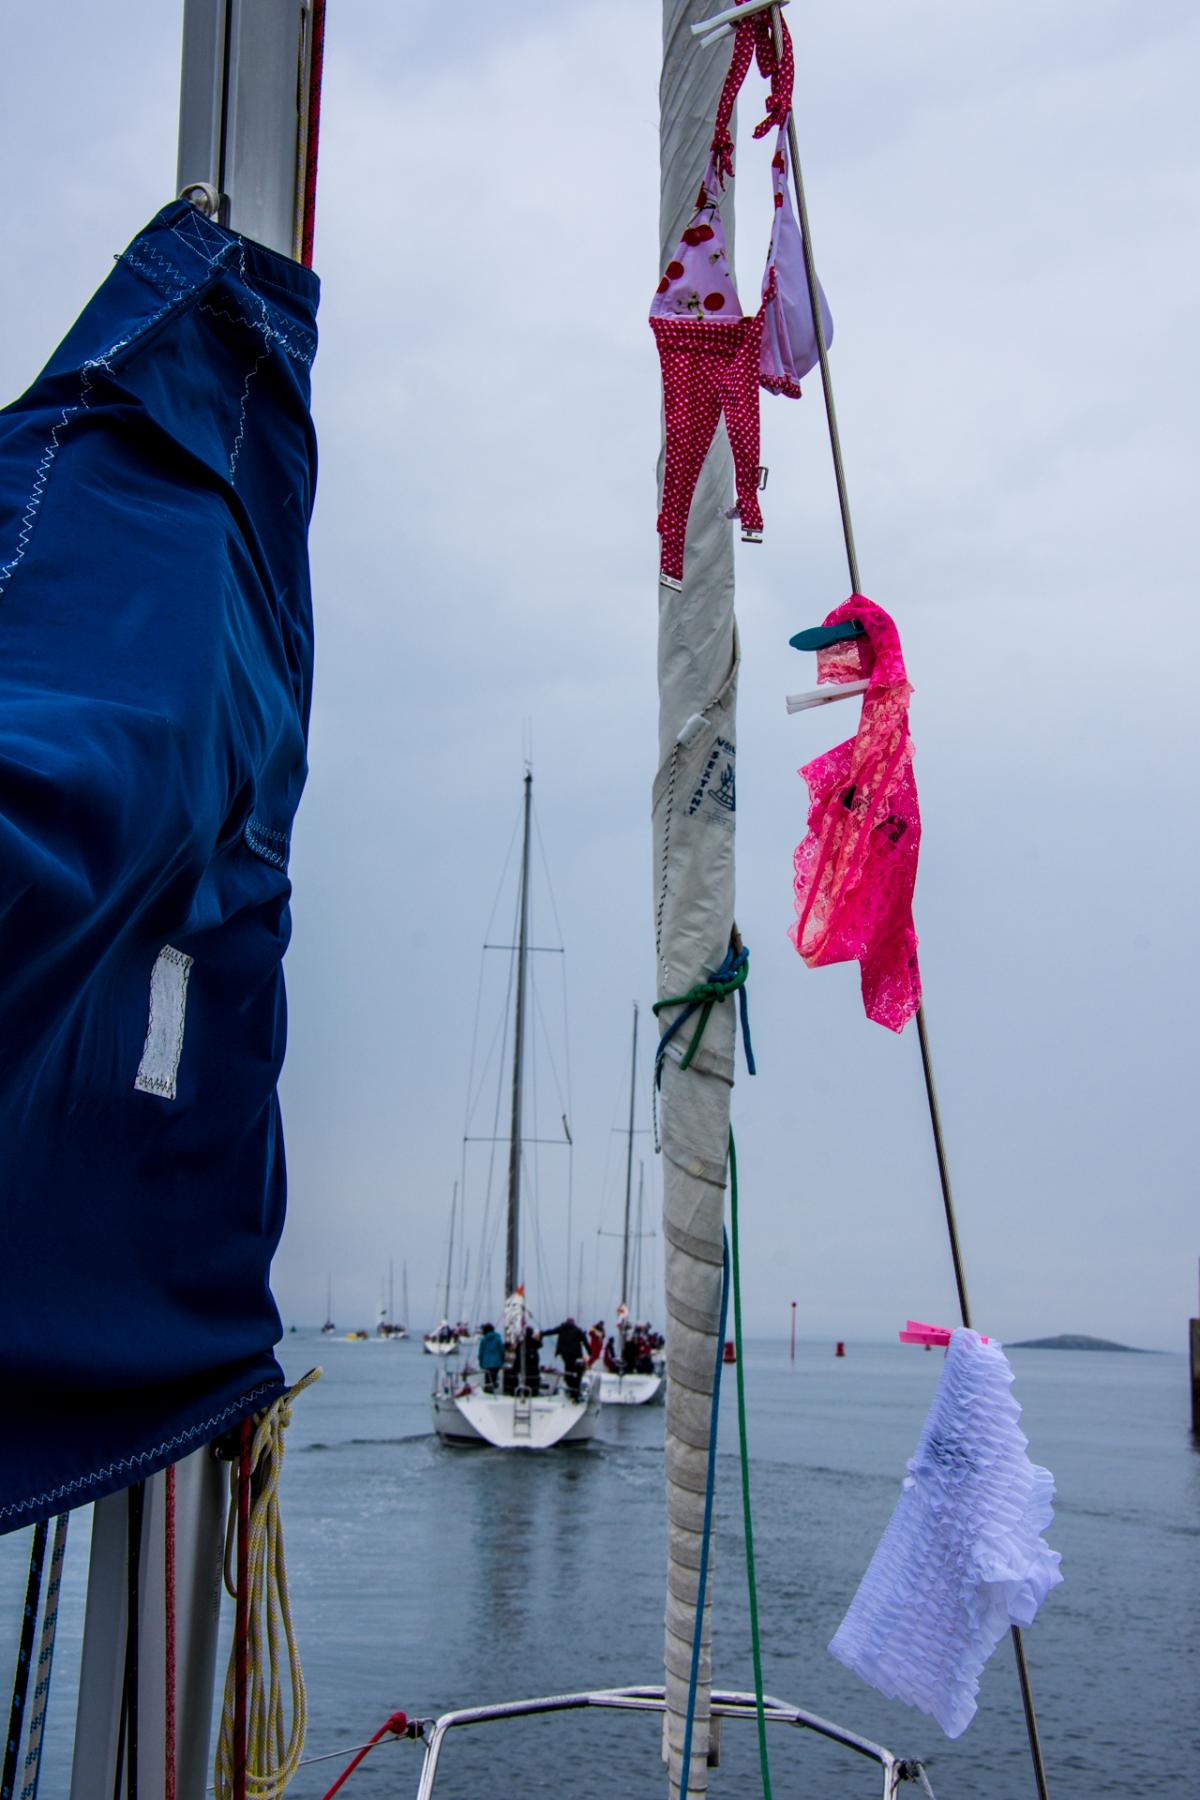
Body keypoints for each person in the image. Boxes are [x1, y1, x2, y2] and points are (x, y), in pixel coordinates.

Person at [541, 1317, 590, 1401]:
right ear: (573, 1323)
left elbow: (551, 1331)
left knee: (568, 1369)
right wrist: (590, 1352)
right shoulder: (577, 1330)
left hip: (564, 1354)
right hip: (575, 1354)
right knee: (574, 1371)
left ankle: (569, 1386)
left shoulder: (562, 1328)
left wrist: (541, 1334)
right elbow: (585, 1341)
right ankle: (573, 1391)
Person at [477, 1321, 505, 1394]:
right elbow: (502, 1350)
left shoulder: (483, 1340)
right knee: (494, 1377)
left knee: (487, 1377)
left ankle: (488, 1391)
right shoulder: (498, 1338)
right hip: (496, 1362)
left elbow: (480, 1353)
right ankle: (492, 1388)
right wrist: (502, 1360)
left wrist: (480, 1363)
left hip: (486, 1363)